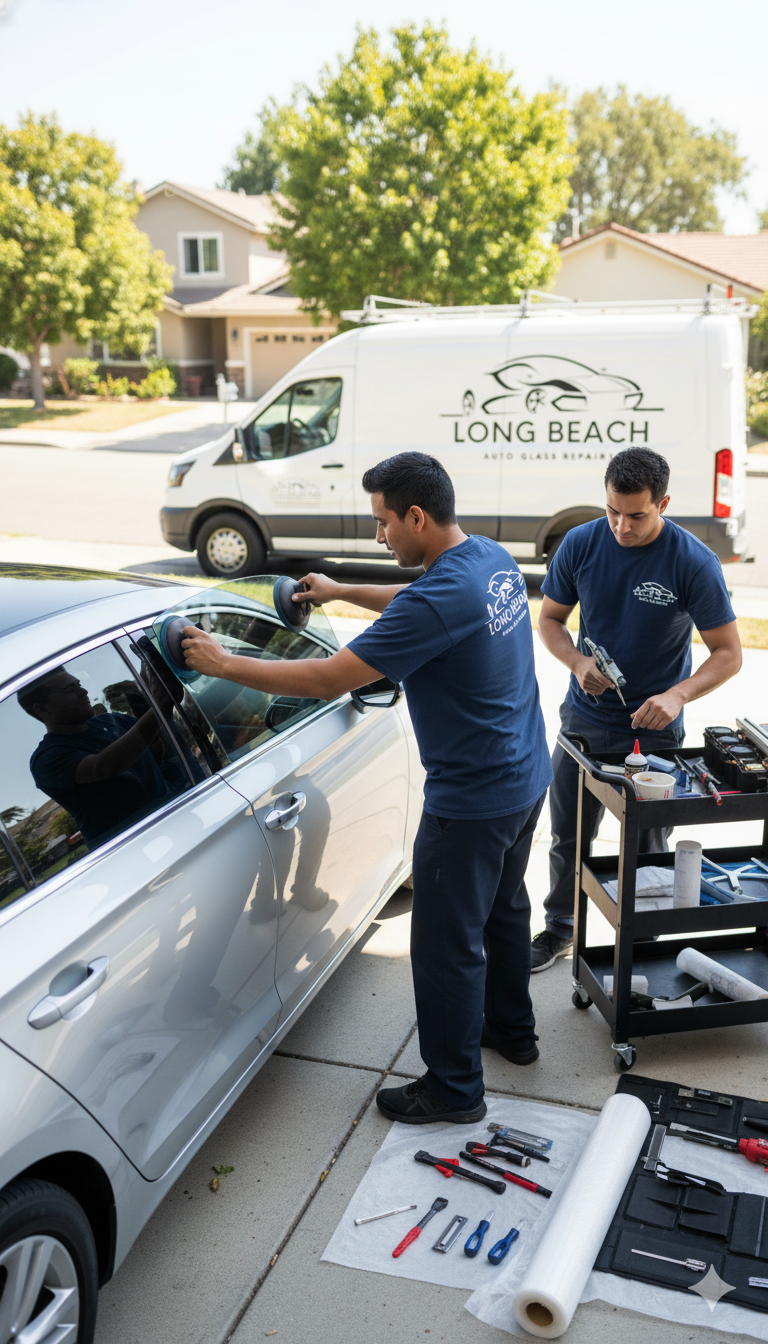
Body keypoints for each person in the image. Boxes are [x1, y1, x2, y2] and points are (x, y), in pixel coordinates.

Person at [181, 451, 552, 1125]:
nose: (379, 536)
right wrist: (341, 589)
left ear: (415, 515)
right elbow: (420, 601)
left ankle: (454, 1089)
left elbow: (330, 678)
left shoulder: (441, 597)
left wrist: (224, 661)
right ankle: (512, 1032)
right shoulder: (486, 558)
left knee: (444, 946)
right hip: (526, 775)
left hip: (471, 799)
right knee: (503, 912)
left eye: (383, 523)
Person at [531, 446, 742, 973]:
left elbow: (729, 654)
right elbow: (550, 621)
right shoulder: (580, 544)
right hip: (583, 723)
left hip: (655, 736)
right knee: (567, 835)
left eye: (637, 515)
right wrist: (578, 663)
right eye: (613, 511)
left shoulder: (692, 561)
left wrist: (678, 696)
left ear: (664, 502)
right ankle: (560, 928)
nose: (622, 526)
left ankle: (645, 941)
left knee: (647, 846)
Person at [19, 665, 176, 850]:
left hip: (172, 820)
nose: (83, 691)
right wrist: (161, 706)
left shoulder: (113, 720)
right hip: (126, 852)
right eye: (70, 690)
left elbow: (158, 743)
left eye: (78, 685)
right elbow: (104, 767)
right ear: (41, 709)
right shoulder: (46, 759)